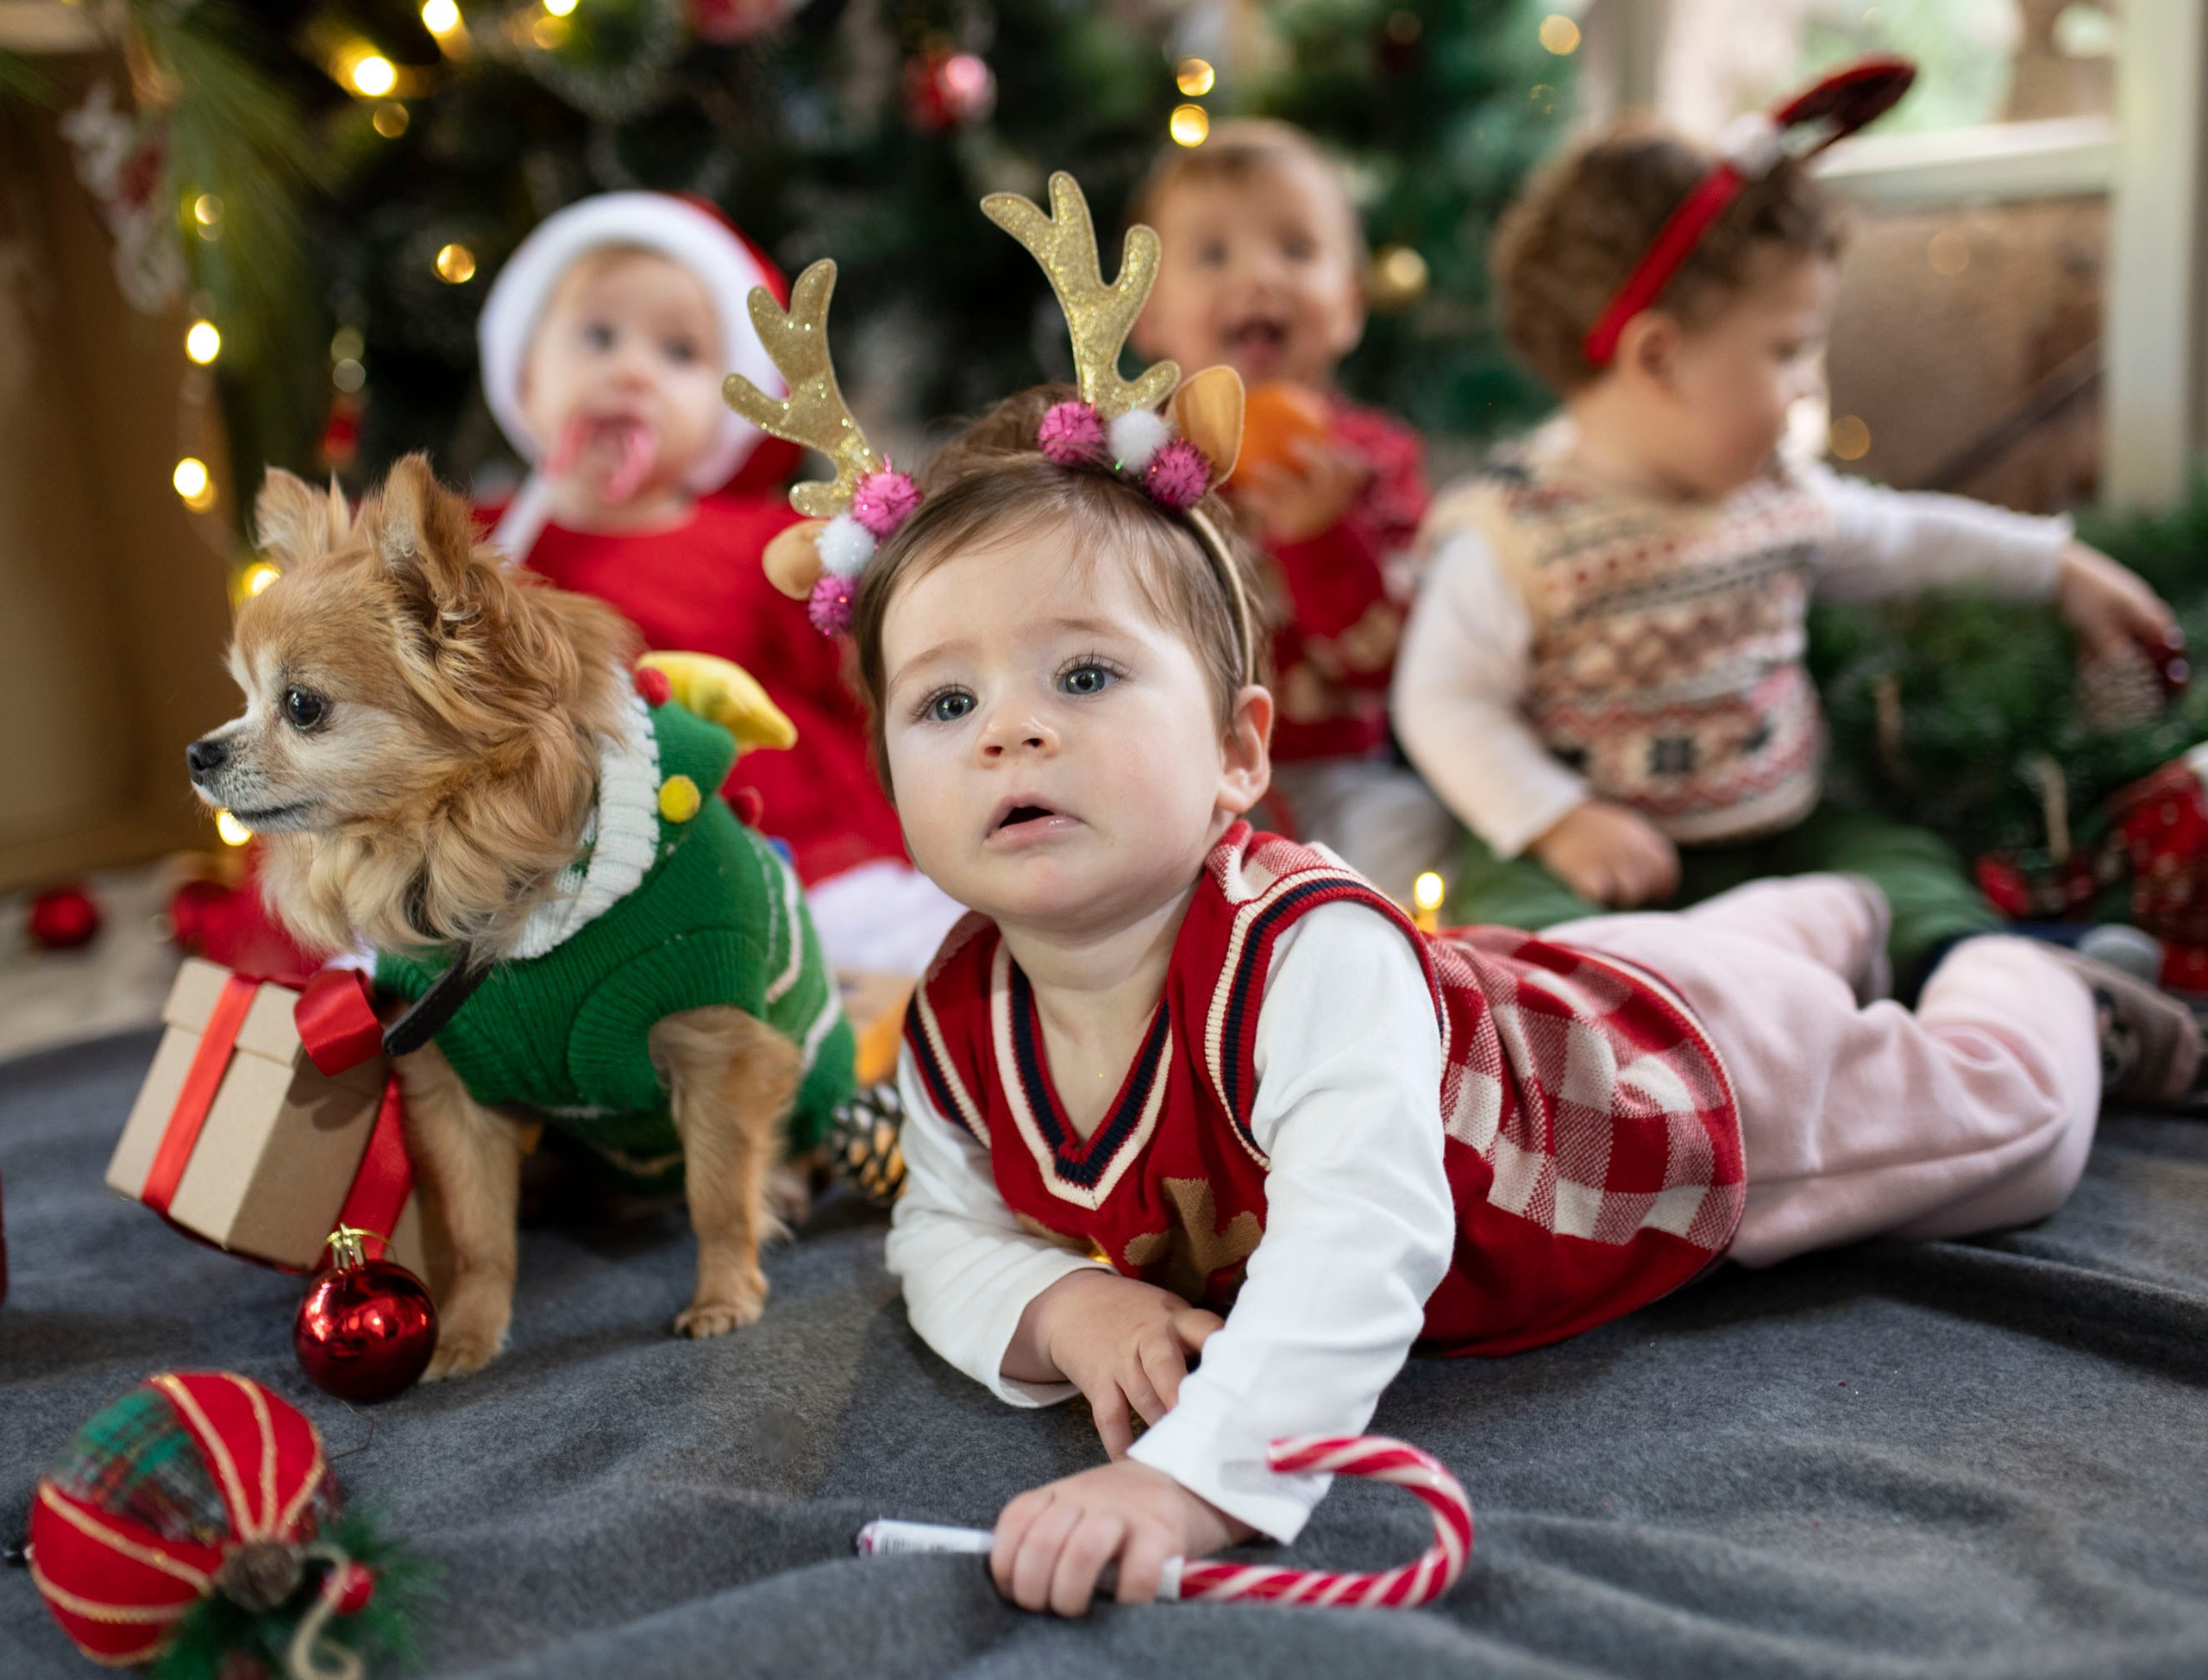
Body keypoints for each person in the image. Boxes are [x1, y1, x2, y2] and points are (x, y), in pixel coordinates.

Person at [1391, 106, 2182, 991]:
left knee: (1898, 866)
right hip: (1597, 853)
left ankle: (1992, 976)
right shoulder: (1512, 531)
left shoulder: (1776, 498)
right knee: (1515, 925)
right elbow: (1442, 703)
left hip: (1779, 826)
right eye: (1789, 350)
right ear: (1658, 357)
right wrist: (1555, 820)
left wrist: (2056, 564)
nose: (1812, 384)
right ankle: (1568, 1036)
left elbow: (1909, 536)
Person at [477, 191, 963, 975]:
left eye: (679, 354)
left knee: (856, 948)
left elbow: (859, 679)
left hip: (762, 842)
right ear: (525, 373)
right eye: (597, 336)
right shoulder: (473, 542)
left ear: (727, 411)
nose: (631, 371)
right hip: (544, 857)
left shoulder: (758, 547)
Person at [1128, 121, 1452, 901]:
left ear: (1348, 307)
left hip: (1335, 775)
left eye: (1296, 251)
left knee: (1414, 828)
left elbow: (1386, 662)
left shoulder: (1373, 462)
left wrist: (1322, 539)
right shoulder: (1132, 463)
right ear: (1146, 318)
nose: (1260, 278)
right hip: (1178, 780)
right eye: (1212, 255)